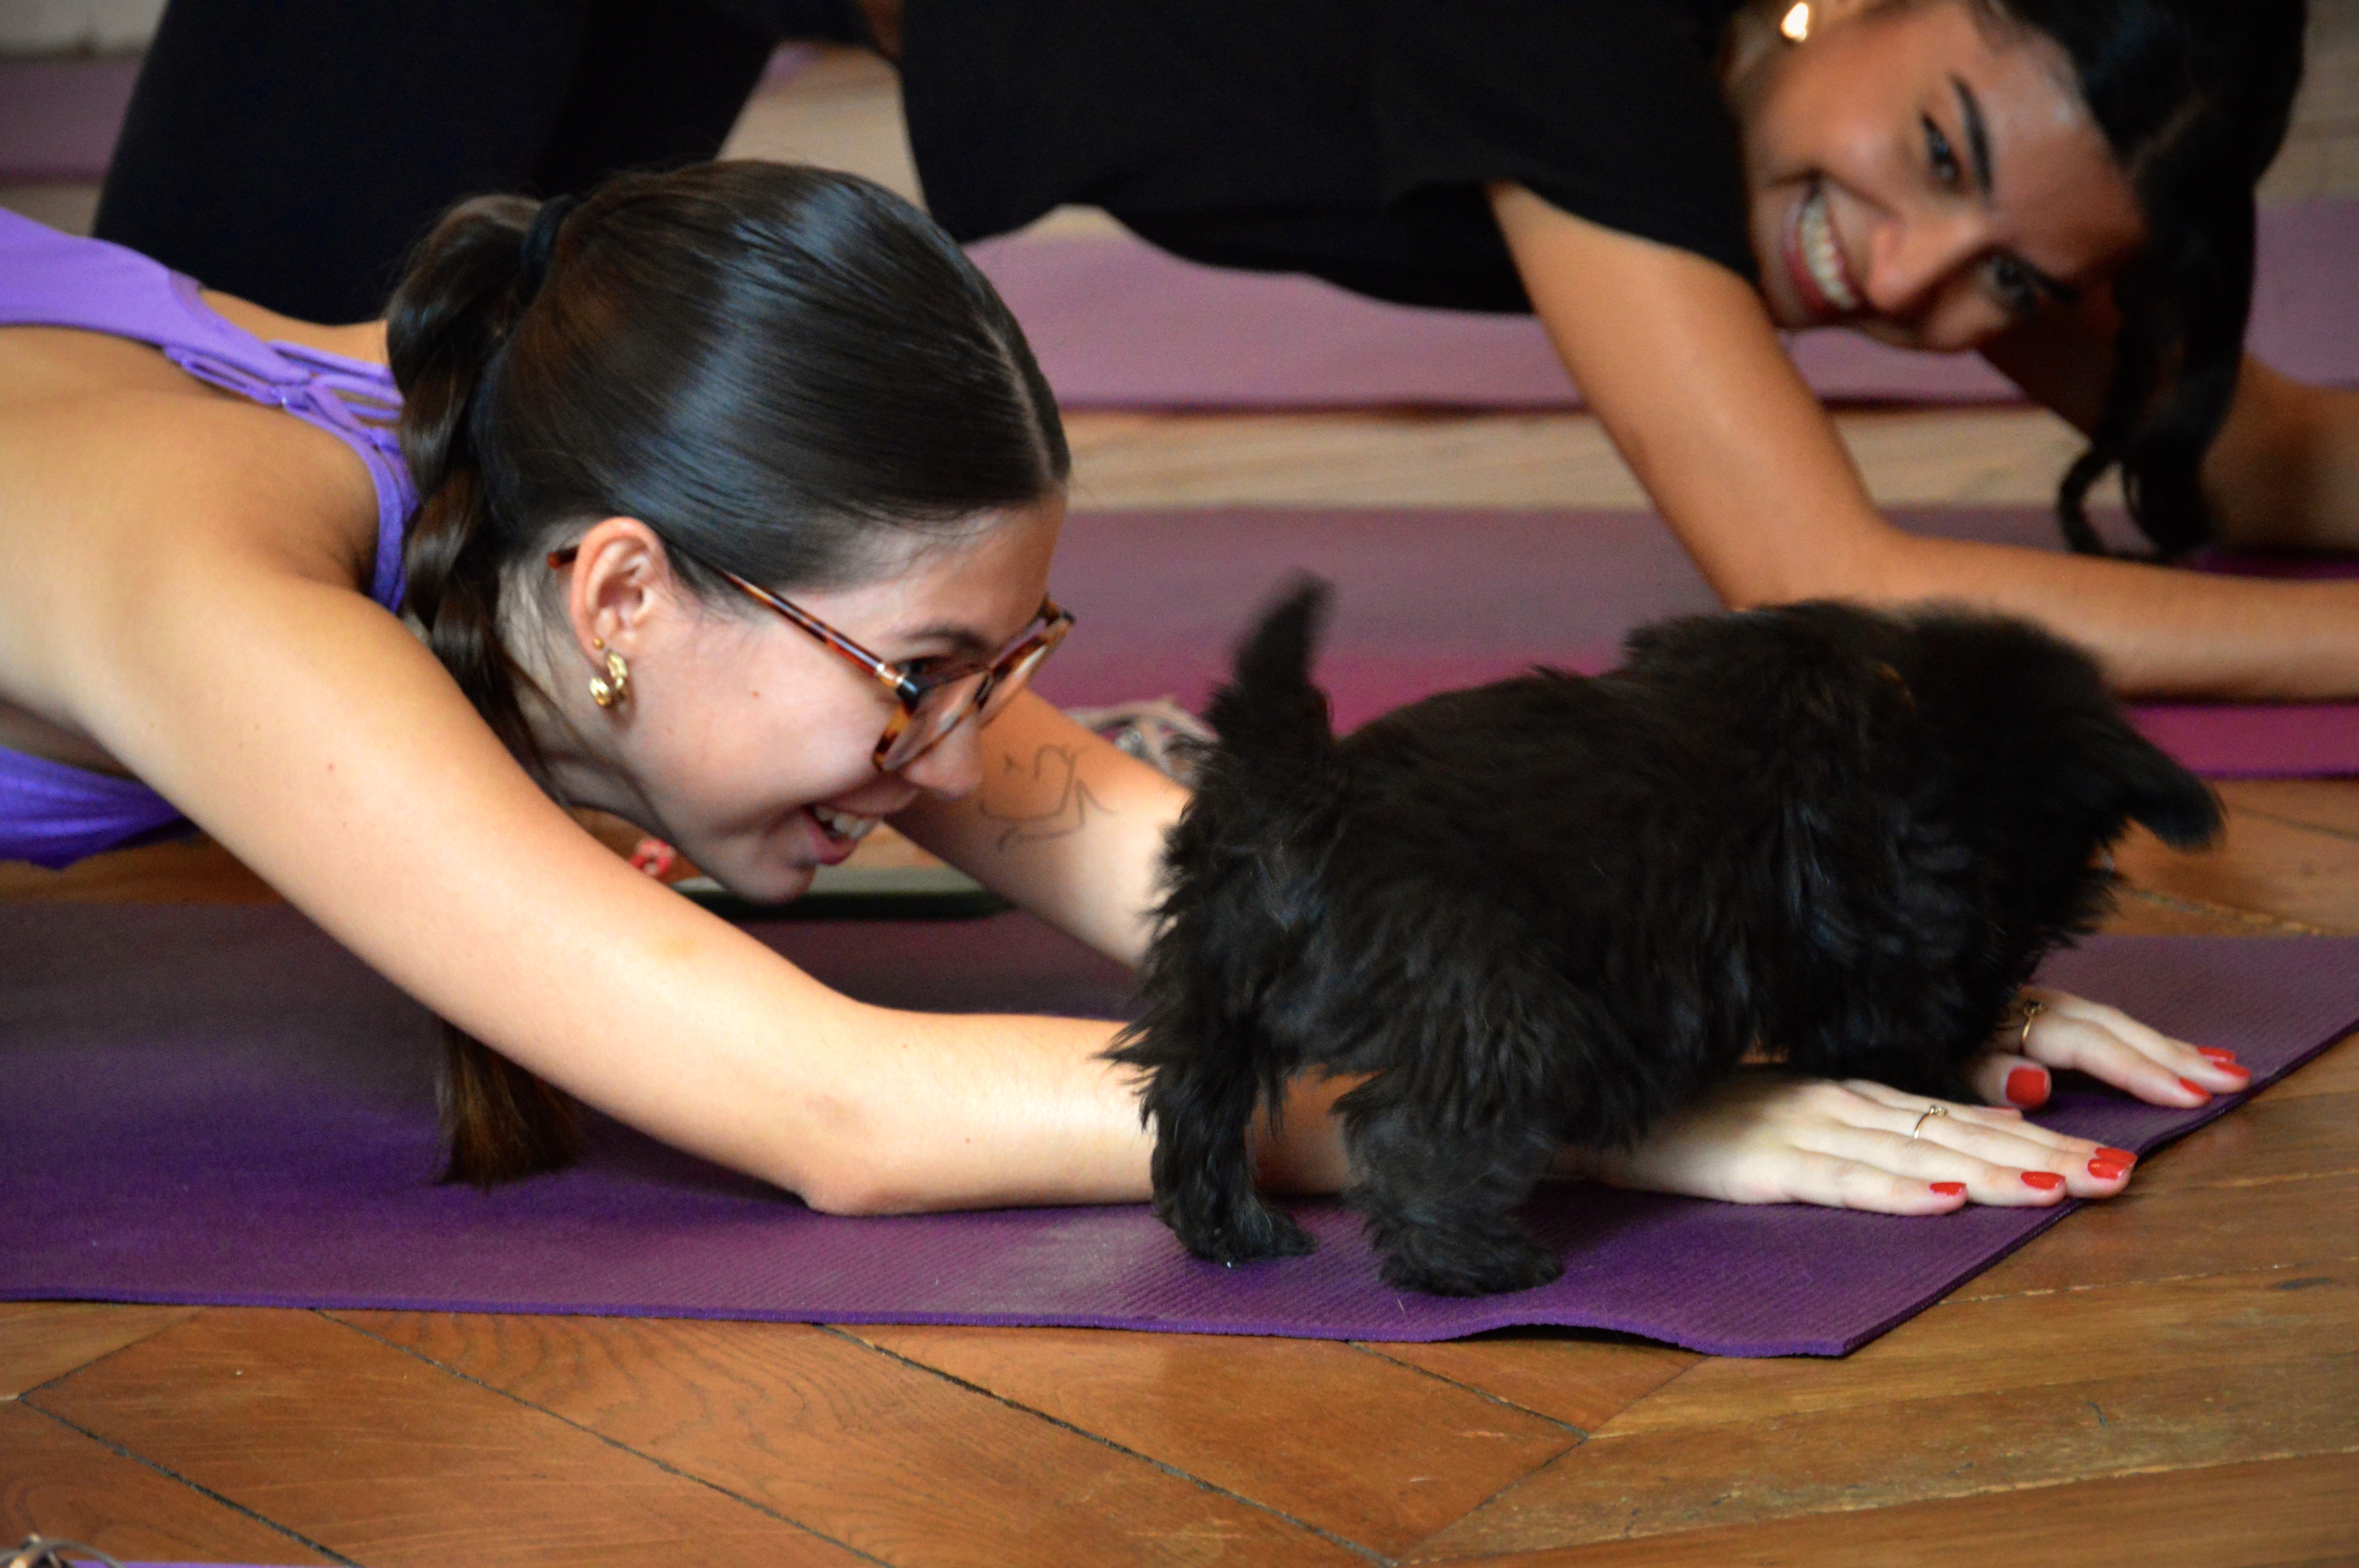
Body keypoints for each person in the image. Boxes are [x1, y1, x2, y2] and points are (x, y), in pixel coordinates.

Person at [2, 162, 2242, 1219]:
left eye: (1008, 665)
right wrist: (1607, 1113)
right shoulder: (214, 586)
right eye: (924, 676)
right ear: (617, 595)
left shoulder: (634, 518)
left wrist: (1771, 980)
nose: (974, 761)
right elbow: (841, 1110)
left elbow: (1271, 899)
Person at [91, 0, 2359, 699]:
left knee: (413, 533)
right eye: (1936, 149)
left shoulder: (1835, 162)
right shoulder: (1596, 57)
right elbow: (1825, 585)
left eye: (2009, 284)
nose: (1909, 277)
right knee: (169, 474)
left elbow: (2246, 459)